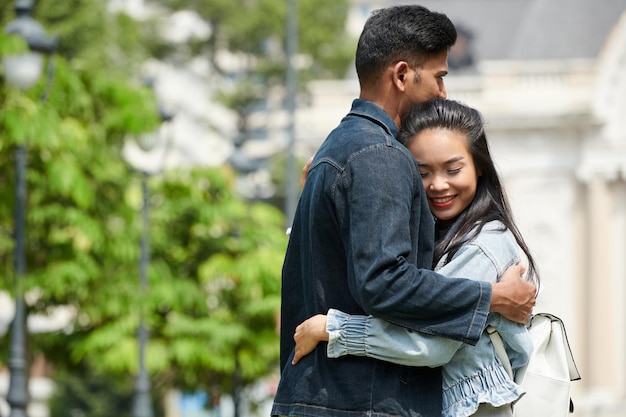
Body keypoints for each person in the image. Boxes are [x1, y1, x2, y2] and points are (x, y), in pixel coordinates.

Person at [271, 5, 536, 417]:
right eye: (438, 76)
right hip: (362, 402)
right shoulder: (382, 155)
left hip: (324, 396)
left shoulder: (335, 149)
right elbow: (383, 282)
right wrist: (492, 297)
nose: (443, 93)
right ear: (401, 75)